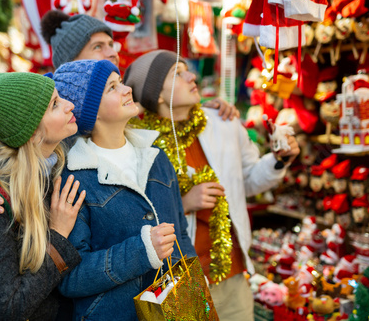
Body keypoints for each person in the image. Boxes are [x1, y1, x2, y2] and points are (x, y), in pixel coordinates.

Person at [0, 11, 237, 226]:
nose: (112, 53)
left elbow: (159, 101)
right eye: (98, 47)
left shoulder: (115, 101)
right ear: (70, 63)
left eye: (112, 45)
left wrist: (206, 106)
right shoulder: (46, 109)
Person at [124, 50, 300, 320]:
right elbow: (133, 217)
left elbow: (249, 182)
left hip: (232, 272)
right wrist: (182, 204)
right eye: (177, 73)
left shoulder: (223, 122)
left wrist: (277, 160)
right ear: (157, 94)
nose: (191, 76)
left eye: (187, 70)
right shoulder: (139, 144)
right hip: (181, 280)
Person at [52, 59, 197, 320]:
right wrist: (142, 251)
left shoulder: (156, 157)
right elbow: (70, 278)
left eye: (121, 81)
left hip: (175, 312)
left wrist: (195, 288)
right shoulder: (74, 178)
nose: (127, 89)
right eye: (112, 87)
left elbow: (181, 234)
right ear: (90, 109)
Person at [0, 72, 86, 320]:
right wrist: (59, 237)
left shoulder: (54, 168)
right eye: (54, 104)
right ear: (31, 133)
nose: (69, 104)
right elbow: (8, 304)